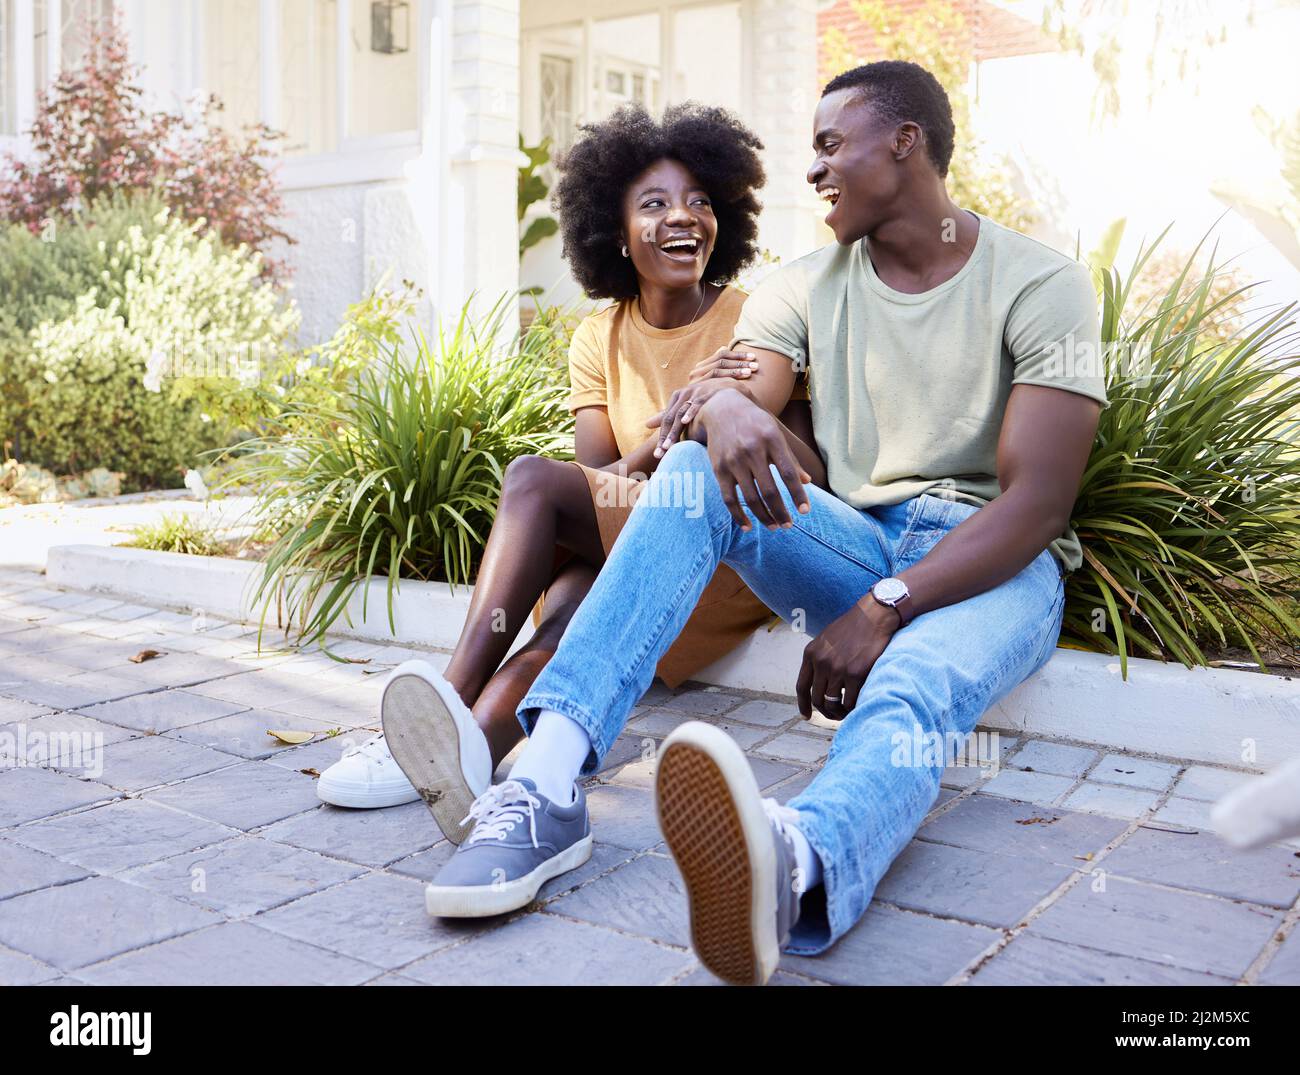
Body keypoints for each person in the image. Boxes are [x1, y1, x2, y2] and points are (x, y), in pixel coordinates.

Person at [407, 59, 1110, 984]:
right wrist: (727, 409)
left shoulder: (1042, 283)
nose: (813, 171)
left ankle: (799, 859)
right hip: (855, 541)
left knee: (913, 684)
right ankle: (543, 785)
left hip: (991, 562)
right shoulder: (803, 284)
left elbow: (1037, 505)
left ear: (906, 144)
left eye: (829, 146)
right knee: (697, 471)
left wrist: (889, 604)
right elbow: (739, 383)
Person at [317, 103, 825, 854]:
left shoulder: (756, 322)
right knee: (564, 610)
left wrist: (709, 422)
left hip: (721, 551)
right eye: (654, 204)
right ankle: (468, 748)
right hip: (630, 546)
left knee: (529, 480)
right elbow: (598, 481)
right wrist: (655, 452)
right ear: (616, 233)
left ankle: (445, 706)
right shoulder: (600, 335)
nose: (683, 217)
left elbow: (804, 473)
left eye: (699, 202)